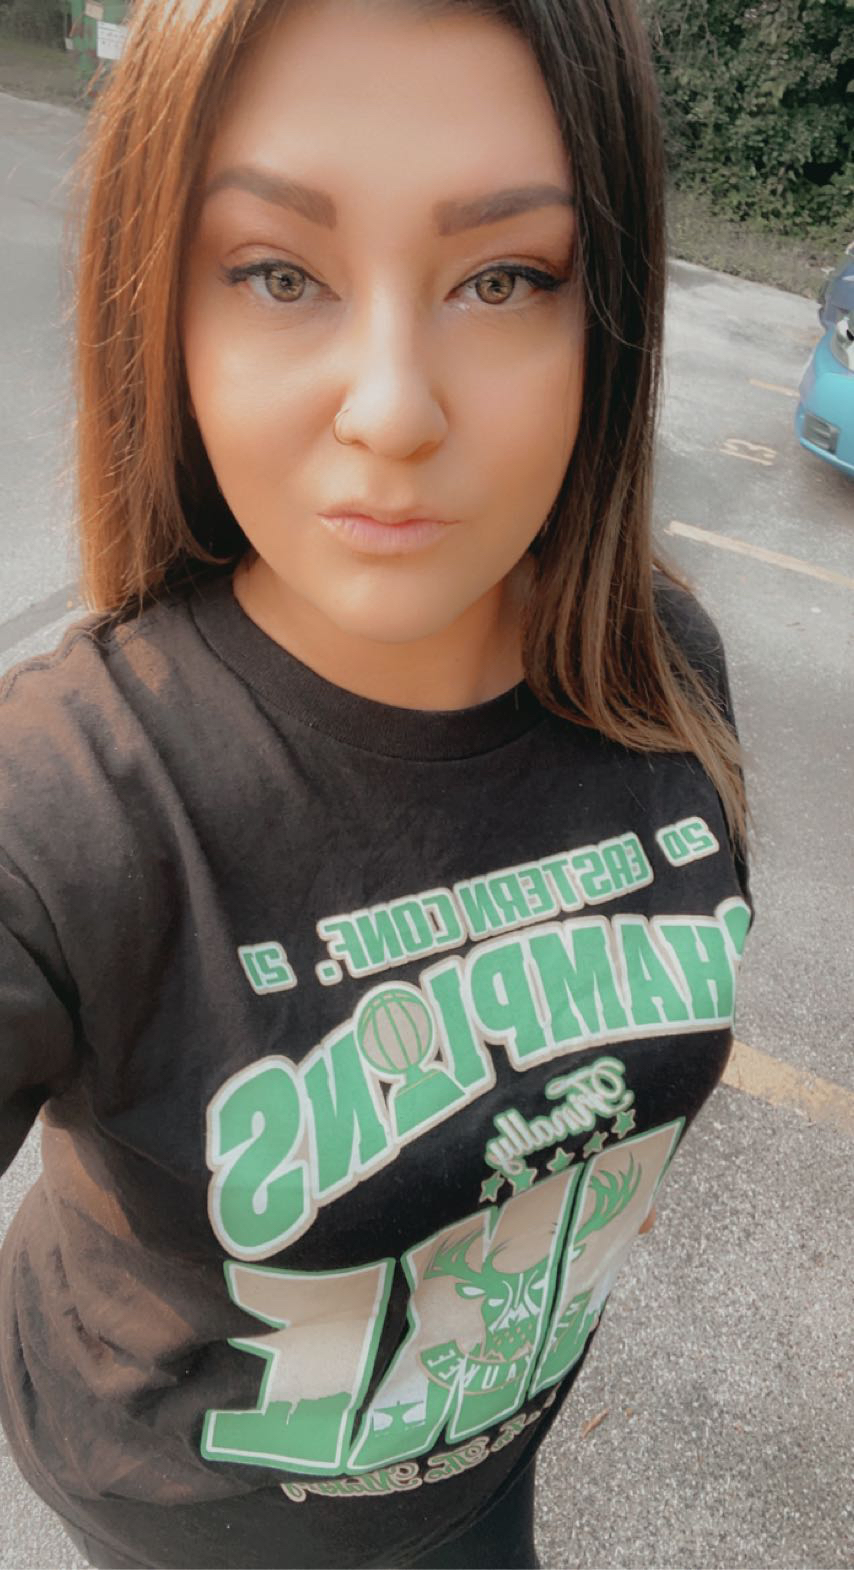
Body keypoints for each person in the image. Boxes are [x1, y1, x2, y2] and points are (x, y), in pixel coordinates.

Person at [0, 1, 754, 1567]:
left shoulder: (660, 666)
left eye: (503, 277)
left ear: (601, 311)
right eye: (280, 273)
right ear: (163, 301)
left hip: (481, 1478)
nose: (395, 410)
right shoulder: (64, 805)